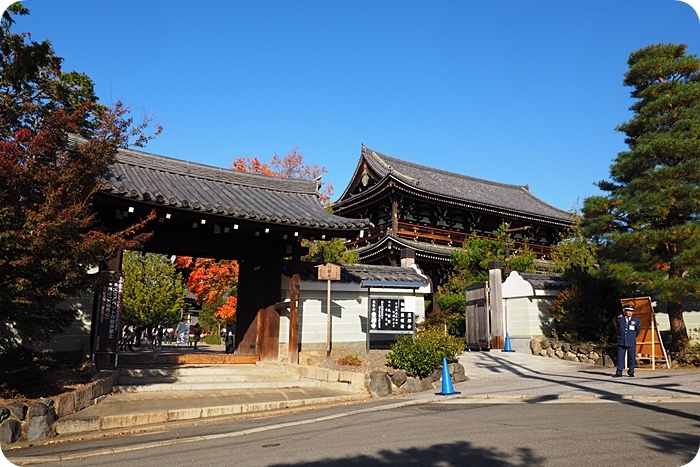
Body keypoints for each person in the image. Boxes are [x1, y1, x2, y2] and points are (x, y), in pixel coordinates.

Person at [614, 304, 641, 377]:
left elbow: (637, 331)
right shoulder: (620, 318)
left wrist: (632, 337)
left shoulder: (636, 320)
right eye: (627, 311)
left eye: (631, 311)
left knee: (631, 357)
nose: (629, 312)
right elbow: (618, 328)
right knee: (620, 357)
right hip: (621, 341)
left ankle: (631, 372)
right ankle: (619, 372)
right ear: (625, 311)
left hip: (631, 341)